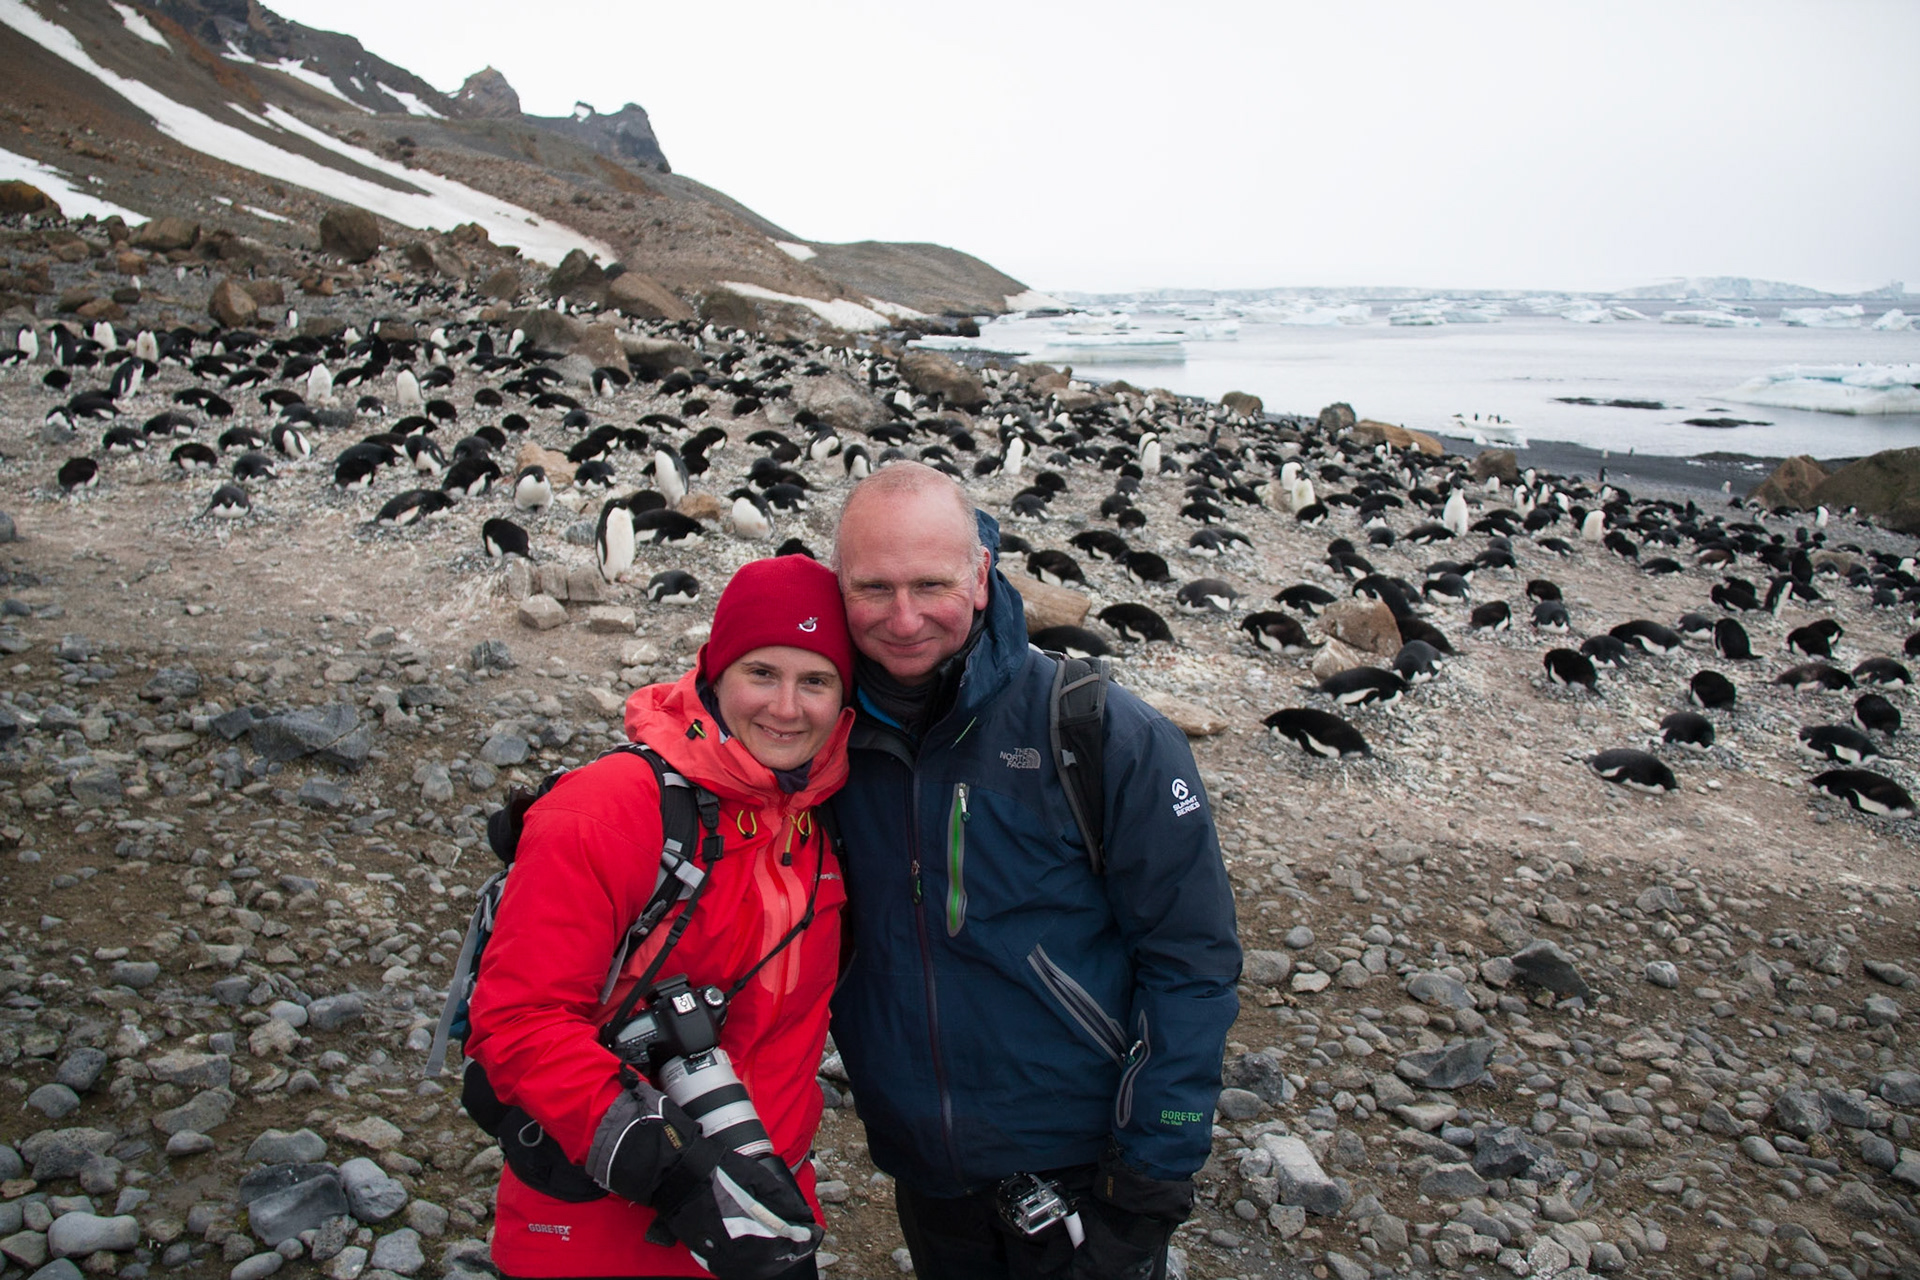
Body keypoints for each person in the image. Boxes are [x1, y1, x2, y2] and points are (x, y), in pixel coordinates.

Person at [828, 462, 1243, 1280]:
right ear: (836, 585)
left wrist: (1153, 1171)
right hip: (923, 1161)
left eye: (930, 584)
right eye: (873, 588)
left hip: (1085, 1165)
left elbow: (1192, 961)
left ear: (982, 575)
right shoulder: (814, 729)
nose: (903, 618)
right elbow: (702, 770)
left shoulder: (1100, 734)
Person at [464, 555, 856, 1280]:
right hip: (601, 1230)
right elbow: (517, 1021)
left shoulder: (824, 823)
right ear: (713, 673)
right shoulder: (612, 806)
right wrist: (679, 1172)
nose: (787, 708)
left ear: (845, 702)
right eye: (761, 673)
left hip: (770, 1215)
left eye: (817, 681)